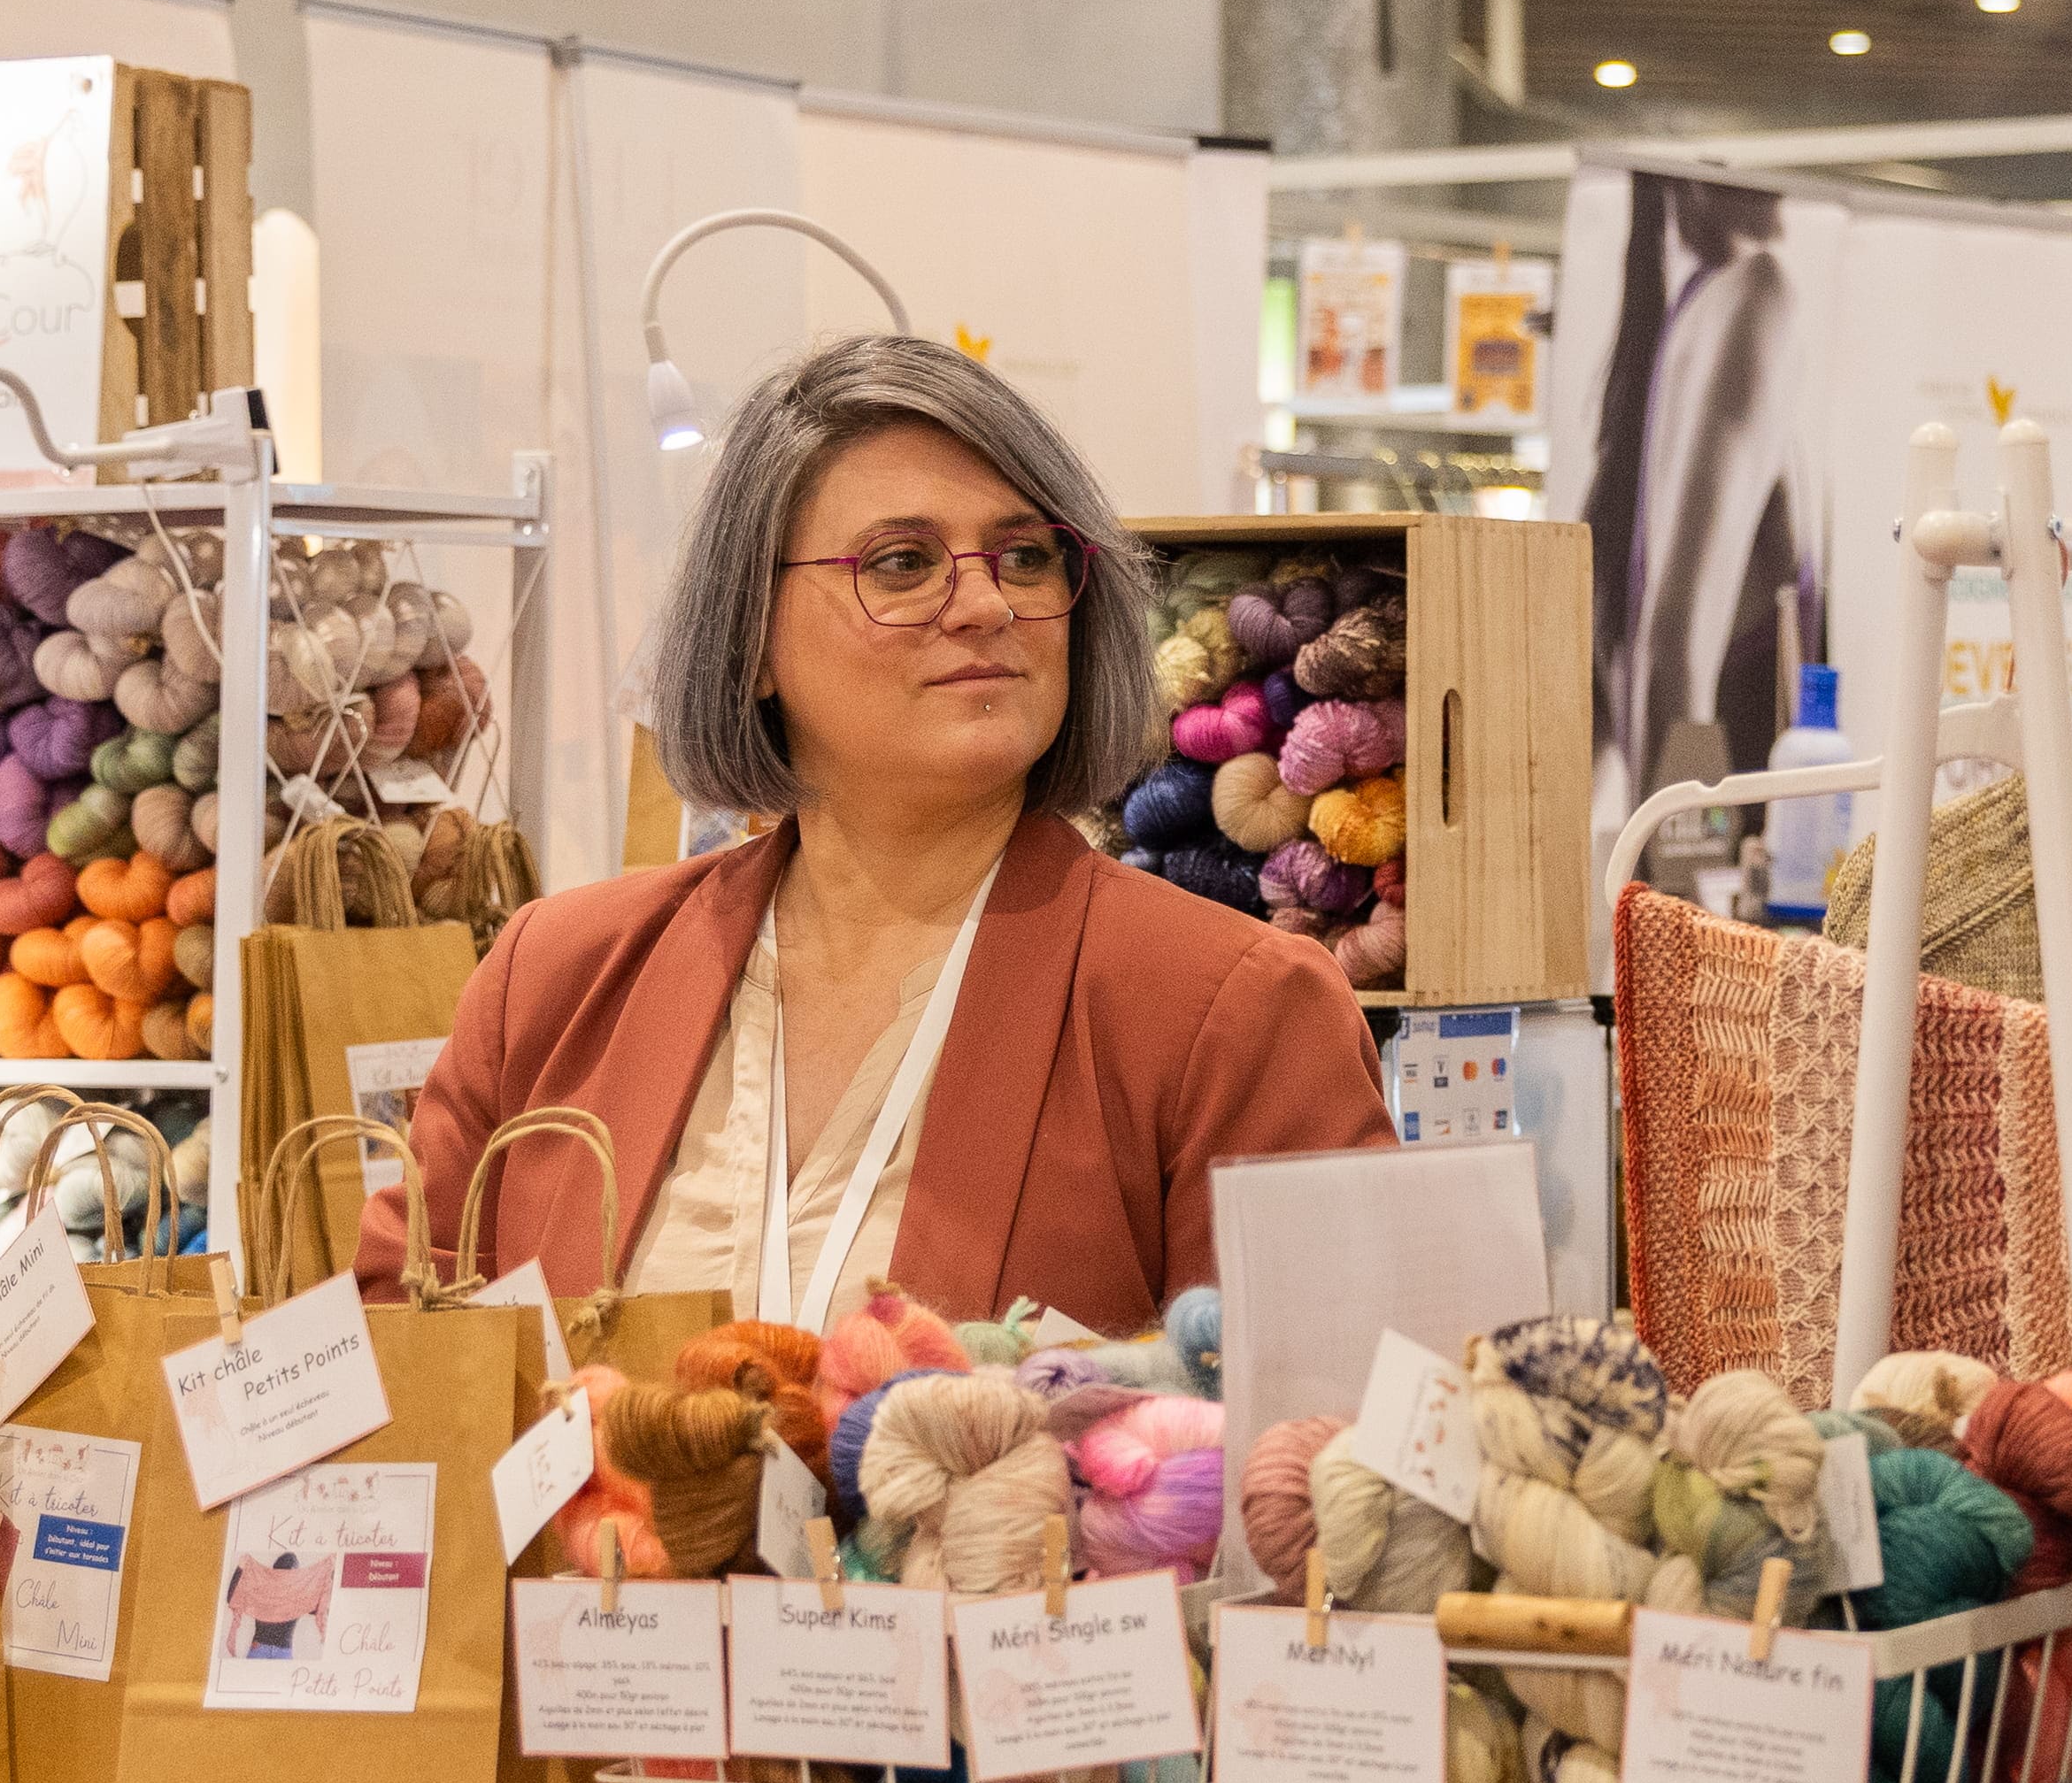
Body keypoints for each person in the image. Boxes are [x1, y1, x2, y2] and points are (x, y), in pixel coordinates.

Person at [379, 338, 1389, 1322]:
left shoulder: (1234, 1014)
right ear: (750, 638)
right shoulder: (555, 980)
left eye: (1026, 555)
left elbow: (1308, 1445)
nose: (987, 602)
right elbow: (399, 1358)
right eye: (901, 563)